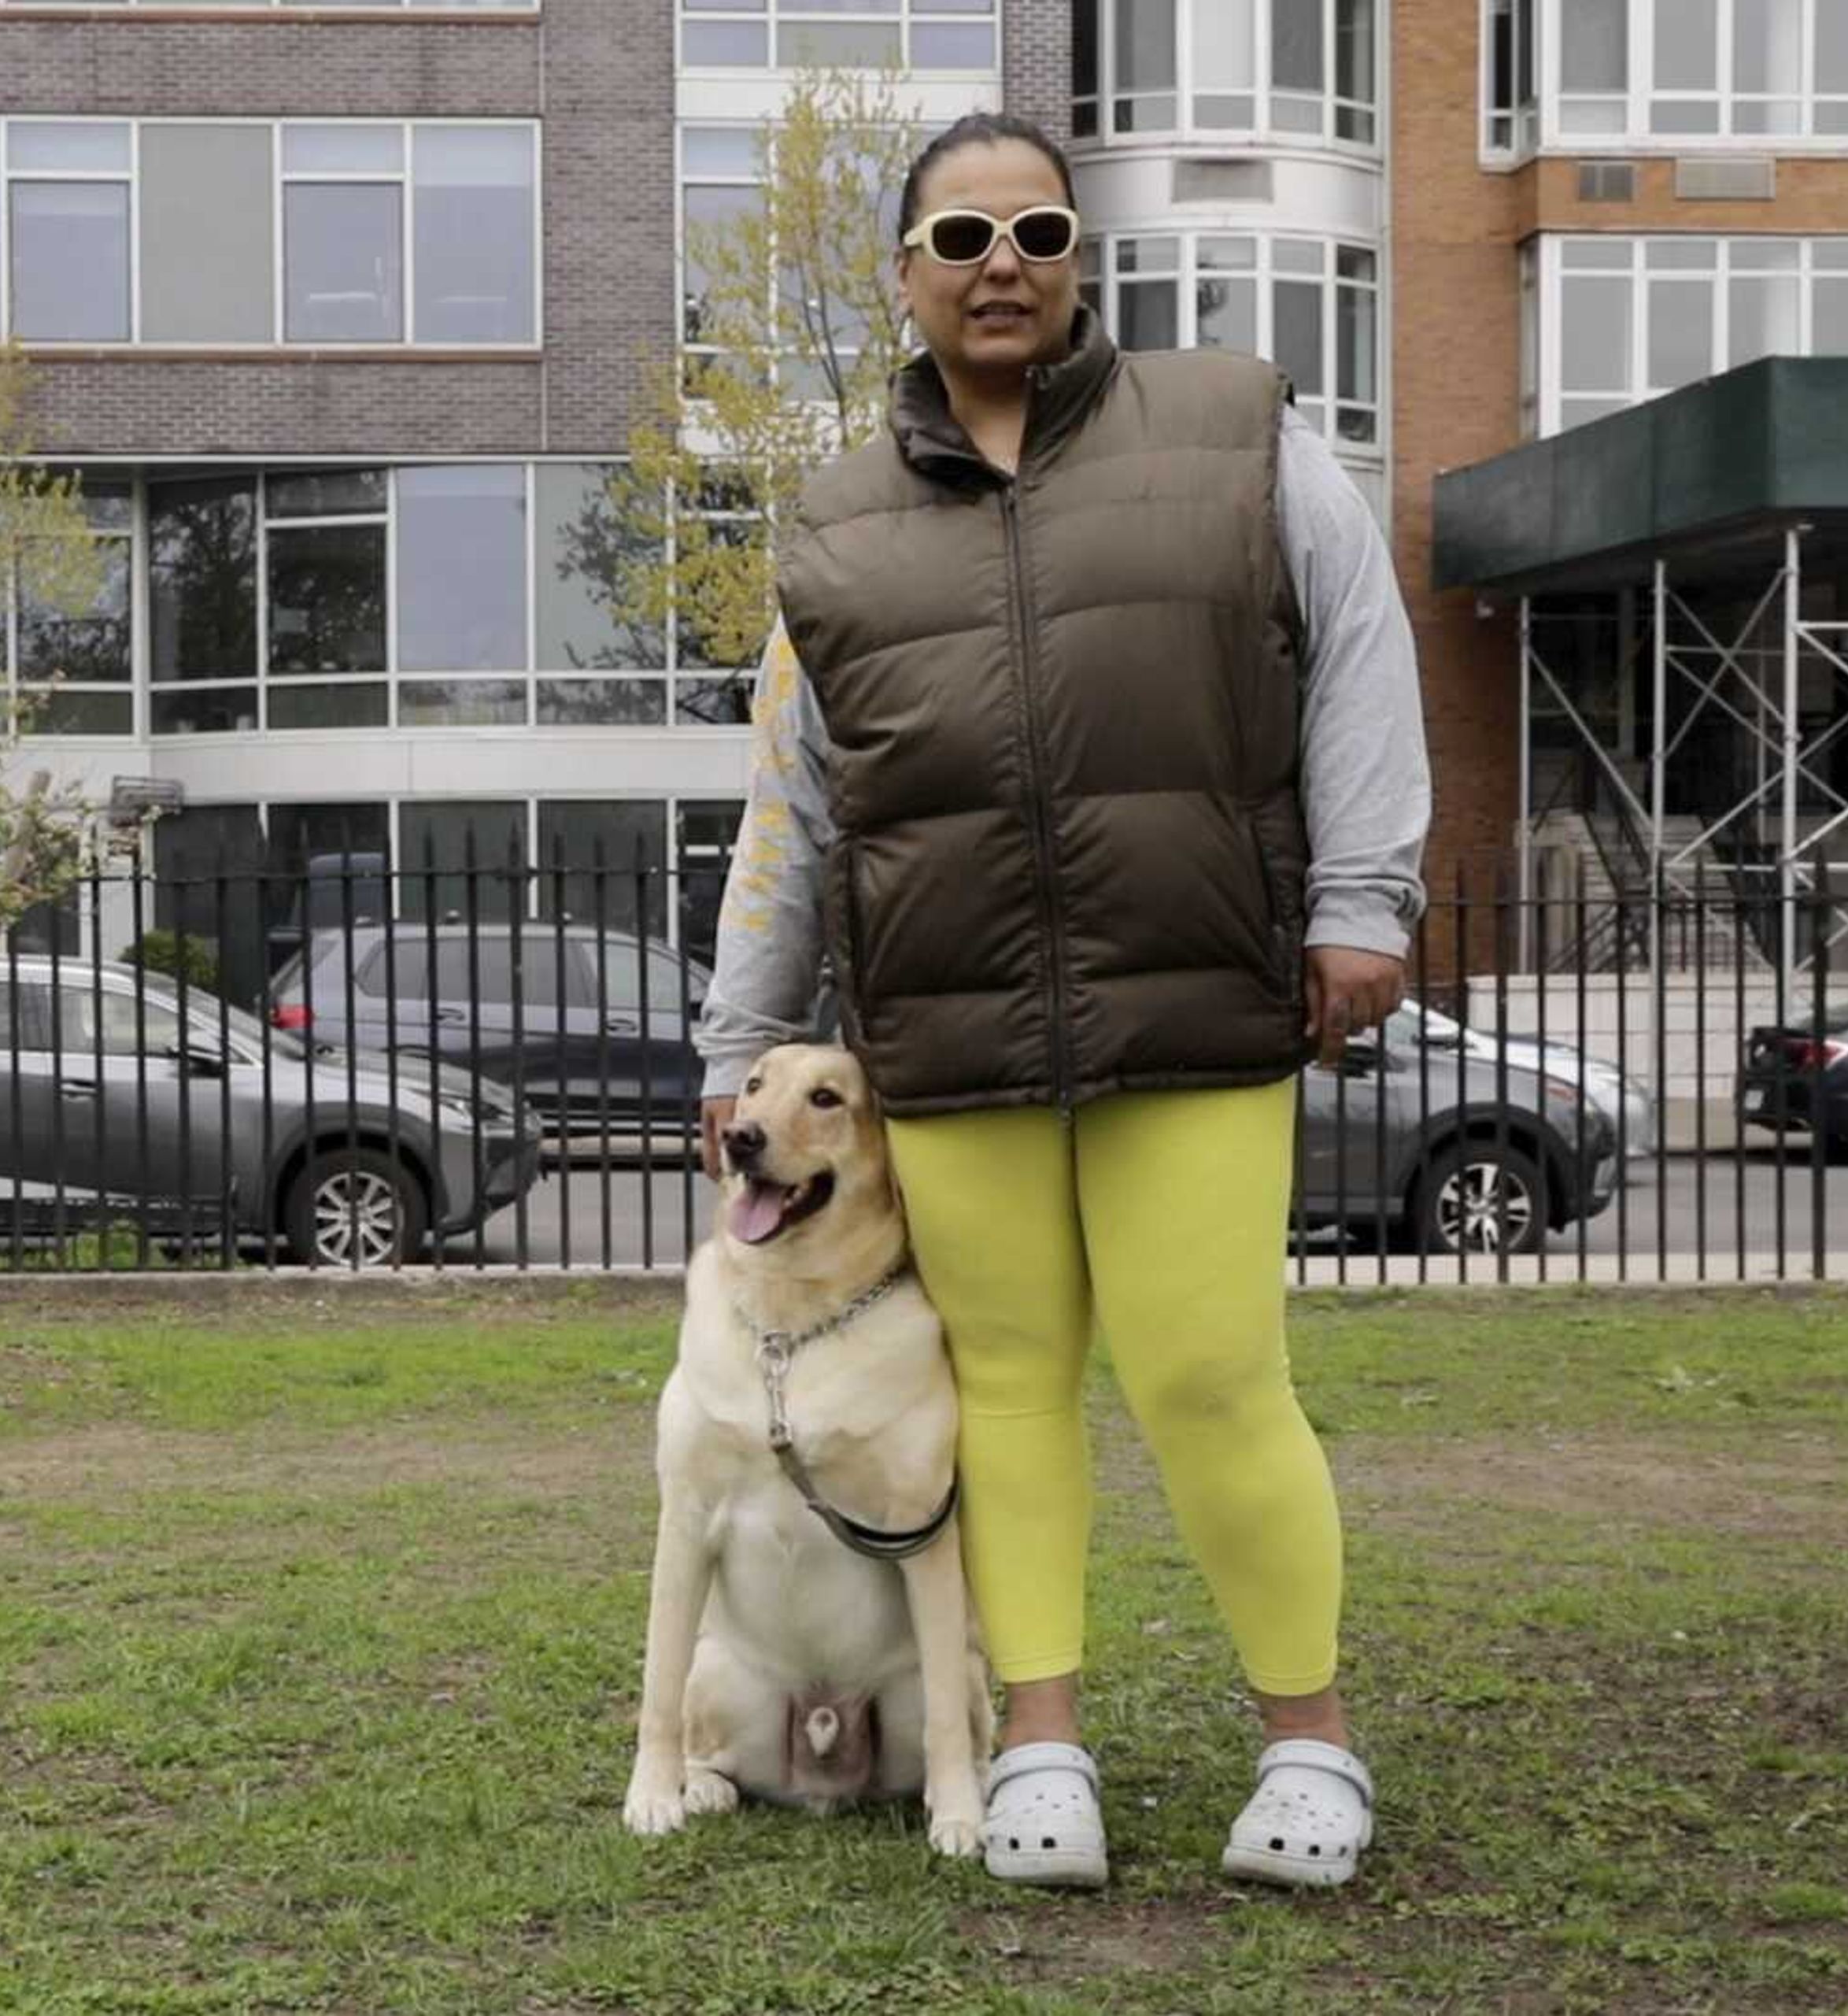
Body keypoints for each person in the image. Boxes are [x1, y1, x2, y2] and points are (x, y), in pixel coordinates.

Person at [693, 111, 1429, 1891]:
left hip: (1193, 1008)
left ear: (1081, 257)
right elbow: (795, 804)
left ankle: (1309, 1747)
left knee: (1210, 1374)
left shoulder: (1239, 436)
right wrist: (740, 1047)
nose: (997, 261)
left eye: (1032, 228)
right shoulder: (835, 530)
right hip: (952, 1039)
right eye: (958, 237)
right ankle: (1039, 1741)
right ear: (906, 277)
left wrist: (1360, 900)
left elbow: (1358, 651)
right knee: (1007, 1389)